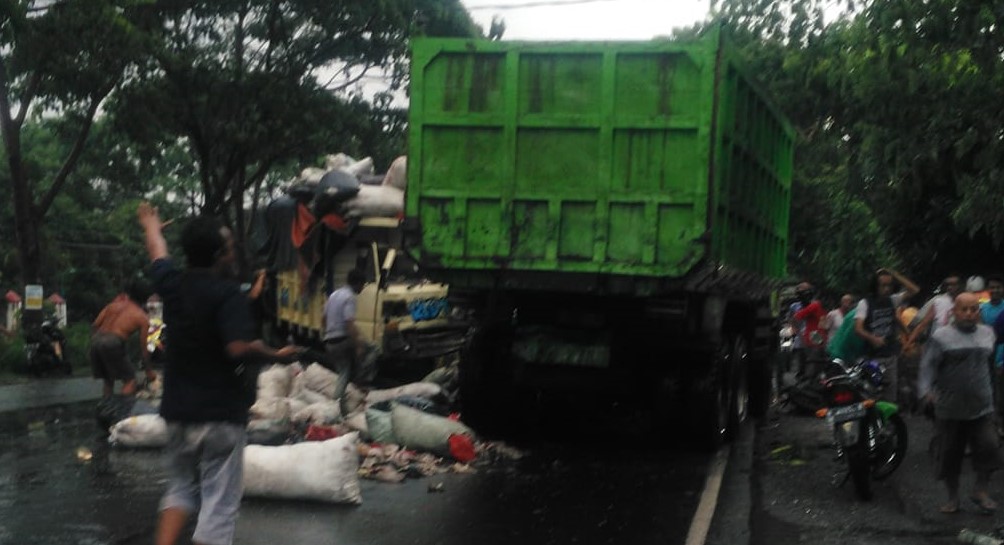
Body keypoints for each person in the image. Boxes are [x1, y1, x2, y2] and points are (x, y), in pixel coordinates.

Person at [137, 202, 300, 545]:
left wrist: (151, 224)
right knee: (219, 503)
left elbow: (157, 252)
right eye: (228, 246)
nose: (231, 251)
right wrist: (276, 354)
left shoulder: (173, 283)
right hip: (220, 415)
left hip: (178, 411)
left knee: (180, 488)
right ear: (217, 255)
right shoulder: (228, 294)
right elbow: (238, 348)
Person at [917, 292, 1001, 515]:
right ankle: (953, 498)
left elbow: (989, 367)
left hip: (981, 406)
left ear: (978, 312)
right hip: (950, 408)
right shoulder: (942, 337)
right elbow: (927, 366)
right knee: (949, 455)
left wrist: (994, 398)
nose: (968, 314)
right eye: (963, 309)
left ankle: (980, 490)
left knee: (990, 448)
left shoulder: (987, 334)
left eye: (973, 309)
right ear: (954, 312)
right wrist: (926, 392)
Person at [853, 268, 920, 402]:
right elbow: (858, 329)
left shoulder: (893, 300)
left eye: (889, 285)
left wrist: (895, 274)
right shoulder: (865, 303)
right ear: (875, 286)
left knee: (890, 394)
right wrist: (872, 338)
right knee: (872, 395)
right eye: (883, 285)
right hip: (872, 357)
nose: (887, 289)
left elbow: (914, 290)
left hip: (890, 356)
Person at [90, 285, 157, 397]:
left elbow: (95, 325)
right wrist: (148, 370)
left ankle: (107, 409)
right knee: (130, 381)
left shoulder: (112, 306)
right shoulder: (142, 317)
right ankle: (122, 411)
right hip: (113, 342)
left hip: (96, 340)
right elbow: (144, 348)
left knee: (108, 379)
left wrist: (96, 342)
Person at [322, 268, 369, 415]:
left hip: (329, 341)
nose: (363, 288)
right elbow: (349, 324)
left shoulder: (334, 294)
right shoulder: (350, 297)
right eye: (363, 284)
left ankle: (343, 405)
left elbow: (323, 319)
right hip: (342, 340)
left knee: (343, 371)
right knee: (372, 349)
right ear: (357, 283)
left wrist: (325, 335)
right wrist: (359, 345)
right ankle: (336, 404)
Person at [907, 273, 963, 349]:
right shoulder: (938, 301)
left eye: (954, 284)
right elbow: (922, 323)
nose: (950, 287)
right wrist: (909, 343)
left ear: (960, 285)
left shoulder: (966, 301)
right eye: (948, 285)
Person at [791, 283, 828, 377]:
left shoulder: (818, 306)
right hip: (814, 336)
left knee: (818, 364)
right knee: (814, 364)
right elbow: (796, 317)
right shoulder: (815, 305)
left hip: (816, 336)